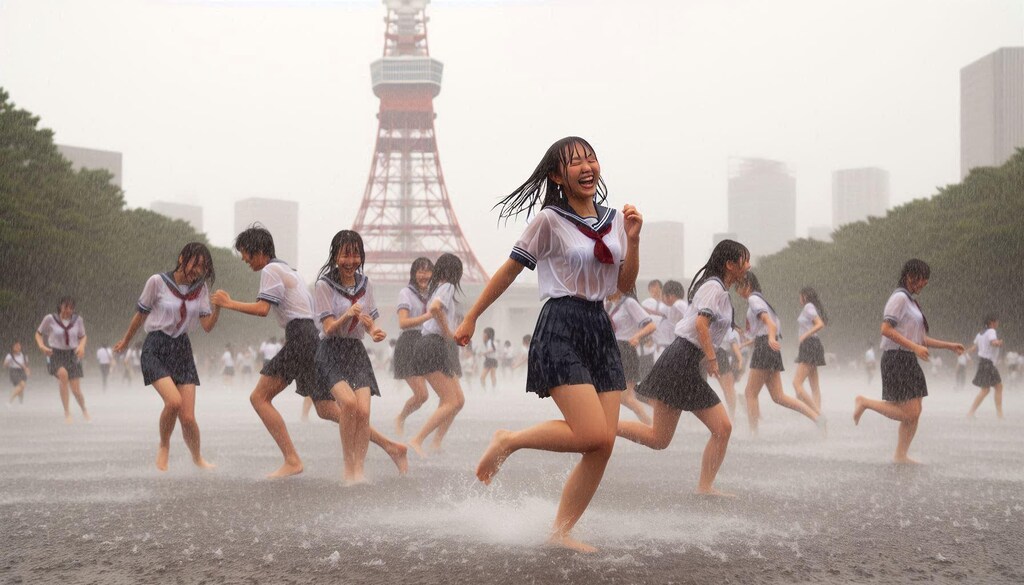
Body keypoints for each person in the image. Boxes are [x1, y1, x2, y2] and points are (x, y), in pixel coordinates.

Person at [454, 136, 643, 552]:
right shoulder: (549, 220)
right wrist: (472, 315)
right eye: (575, 162)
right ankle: (508, 440)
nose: (586, 166)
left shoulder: (613, 220)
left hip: (599, 327)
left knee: (603, 444)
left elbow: (622, 287)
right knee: (591, 433)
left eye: (591, 157)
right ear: (558, 175)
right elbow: (508, 271)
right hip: (560, 324)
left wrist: (634, 238)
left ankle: (560, 531)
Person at [213, 225, 407, 478]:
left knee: (258, 398)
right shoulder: (287, 268)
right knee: (328, 410)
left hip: (301, 337)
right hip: (311, 338)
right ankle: (391, 447)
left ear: (258, 250)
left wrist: (227, 303)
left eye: (246, 255)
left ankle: (292, 460)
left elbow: (262, 309)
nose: (245, 260)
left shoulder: (271, 269)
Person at [622, 239, 749, 496]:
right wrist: (712, 360)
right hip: (681, 361)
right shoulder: (714, 288)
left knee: (672, 436)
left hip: (686, 362)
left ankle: (705, 486)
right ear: (730, 264)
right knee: (667, 437)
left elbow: (708, 327)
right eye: (744, 261)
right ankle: (604, 428)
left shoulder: (719, 291)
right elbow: (701, 326)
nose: (748, 266)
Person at [113, 242, 220, 471]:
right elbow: (140, 315)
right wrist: (126, 340)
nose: (197, 270)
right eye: (195, 263)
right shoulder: (157, 282)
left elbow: (207, 326)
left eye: (203, 267)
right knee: (173, 402)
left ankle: (197, 458)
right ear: (182, 258)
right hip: (156, 346)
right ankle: (164, 446)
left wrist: (219, 307)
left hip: (182, 349)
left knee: (188, 418)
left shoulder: (200, 290)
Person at [853, 259, 965, 463]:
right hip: (896, 357)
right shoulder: (900, 298)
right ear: (910, 277)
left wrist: (949, 346)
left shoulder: (912, 302)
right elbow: (886, 329)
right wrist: (914, 347)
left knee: (915, 412)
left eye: (926, 279)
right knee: (909, 411)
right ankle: (865, 402)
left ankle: (901, 455)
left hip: (907, 358)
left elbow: (920, 339)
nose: (925, 283)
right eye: (923, 278)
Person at [313, 230, 400, 484]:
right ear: (335, 256)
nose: (351, 261)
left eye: (356, 254)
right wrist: (347, 315)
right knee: (348, 405)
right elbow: (328, 328)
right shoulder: (324, 285)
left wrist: (374, 331)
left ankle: (359, 470)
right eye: (345, 254)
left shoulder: (366, 284)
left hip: (355, 351)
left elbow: (369, 321)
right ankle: (347, 466)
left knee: (363, 411)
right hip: (331, 350)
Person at [738, 273, 825, 435]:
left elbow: (769, 324)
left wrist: (769, 338)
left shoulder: (753, 300)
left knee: (750, 393)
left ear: (748, 285)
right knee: (778, 396)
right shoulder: (762, 300)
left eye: (739, 286)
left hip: (765, 346)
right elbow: (771, 324)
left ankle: (753, 435)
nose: (737, 291)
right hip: (769, 347)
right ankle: (816, 417)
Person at [408, 253, 467, 456]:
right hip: (432, 345)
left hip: (434, 345)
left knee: (458, 401)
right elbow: (435, 309)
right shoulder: (448, 286)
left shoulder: (438, 287)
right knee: (450, 401)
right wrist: (448, 333)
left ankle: (436, 443)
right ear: (455, 272)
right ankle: (417, 440)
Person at [392, 257, 434, 435]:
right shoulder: (406, 293)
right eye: (420, 271)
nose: (424, 275)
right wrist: (428, 316)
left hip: (425, 343)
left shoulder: (432, 294)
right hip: (409, 344)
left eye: (427, 271)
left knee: (439, 394)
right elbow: (403, 323)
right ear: (414, 274)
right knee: (422, 395)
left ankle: (435, 433)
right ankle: (400, 418)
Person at [605, 289, 656, 424]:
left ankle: (651, 424)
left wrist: (636, 337)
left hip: (625, 350)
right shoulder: (609, 305)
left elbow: (651, 325)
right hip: (612, 350)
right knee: (618, 395)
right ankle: (651, 422)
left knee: (625, 397)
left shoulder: (629, 303)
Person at [35, 296, 90, 423]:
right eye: (66, 307)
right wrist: (42, 346)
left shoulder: (78, 320)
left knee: (76, 391)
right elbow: (38, 333)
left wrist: (81, 347)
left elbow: (83, 336)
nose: (68, 310)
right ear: (60, 306)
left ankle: (84, 409)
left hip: (72, 354)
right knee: (63, 375)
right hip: (55, 353)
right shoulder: (50, 319)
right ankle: (67, 412)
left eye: (71, 308)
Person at [792, 287, 828, 414]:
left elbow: (819, 324)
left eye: (800, 296)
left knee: (796, 384)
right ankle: (820, 421)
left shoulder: (808, 307)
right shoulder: (810, 307)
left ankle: (816, 414)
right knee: (814, 387)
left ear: (805, 296)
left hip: (810, 345)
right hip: (811, 345)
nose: (799, 299)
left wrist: (804, 335)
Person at [967, 315, 1004, 419]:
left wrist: (964, 352)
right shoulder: (991, 331)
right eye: (996, 322)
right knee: (991, 389)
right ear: (992, 323)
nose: (997, 324)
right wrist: (999, 343)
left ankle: (972, 412)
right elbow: (993, 342)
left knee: (992, 388)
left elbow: (974, 348)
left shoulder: (980, 334)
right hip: (988, 363)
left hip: (983, 363)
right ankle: (999, 414)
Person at [4, 341, 30, 405]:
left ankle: (21, 403)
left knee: (21, 388)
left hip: (22, 371)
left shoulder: (24, 355)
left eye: (19, 345)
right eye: (16, 346)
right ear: (13, 347)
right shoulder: (10, 355)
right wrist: (8, 362)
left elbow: (26, 365)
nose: (18, 347)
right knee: (22, 385)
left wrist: (27, 370)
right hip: (14, 371)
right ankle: (9, 401)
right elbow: (4, 365)